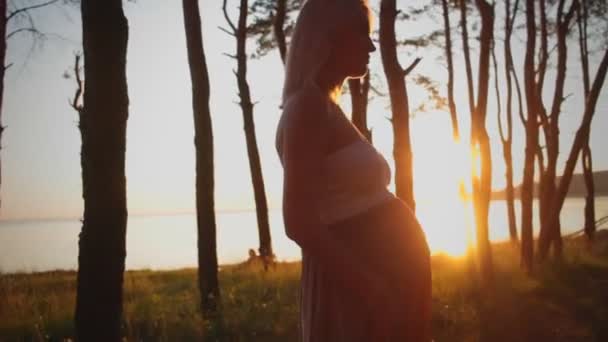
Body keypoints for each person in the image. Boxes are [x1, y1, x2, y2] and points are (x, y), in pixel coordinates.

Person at [274, 0, 432, 341]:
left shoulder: (327, 107)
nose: (372, 45)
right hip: (357, 287)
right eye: (362, 32)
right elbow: (299, 222)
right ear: (327, 35)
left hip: (377, 281)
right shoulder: (307, 108)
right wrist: (371, 288)